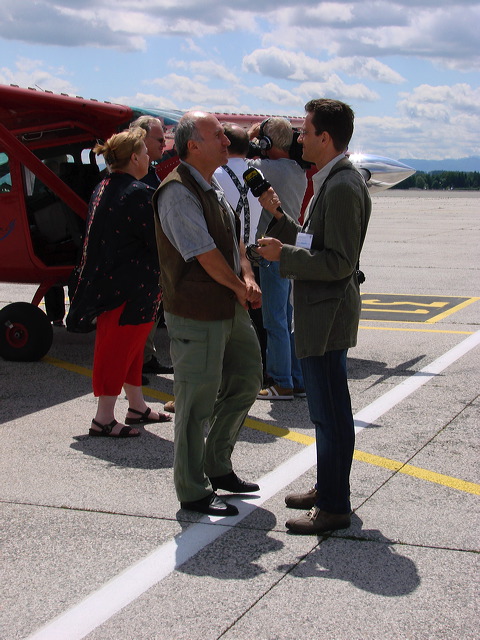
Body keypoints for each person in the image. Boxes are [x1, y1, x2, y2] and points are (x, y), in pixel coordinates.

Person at [256, 98, 371, 534]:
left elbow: (338, 261)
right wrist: (280, 222)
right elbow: (312, 243)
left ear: (326, 137)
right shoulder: (330, 179)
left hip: (327, 315)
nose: (299, 137)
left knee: (329, 411)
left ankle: (334, 506)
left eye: (305, 130)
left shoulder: (341, 186)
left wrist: (283, 254)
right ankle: (329, 489)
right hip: (322, 312)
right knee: (328, 410)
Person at [153, 111, 263, 517]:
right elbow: (201, 252)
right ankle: (192, 488)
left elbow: (233, 242)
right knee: (196, 401)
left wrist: (247, 275)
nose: (226, 140)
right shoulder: (177, 191)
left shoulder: (211, 183)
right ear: (193, 145)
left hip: (228, 305)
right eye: (216, 135)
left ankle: (217, 464)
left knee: (248, 379)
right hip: (197, 310)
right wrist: (239, 286)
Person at [66, 127, 171, 437]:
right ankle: (103, 418)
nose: (150, 159)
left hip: (110, 284)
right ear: (135, 157)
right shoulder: (138, 192)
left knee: (131, 350)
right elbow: (158, 241)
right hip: (131, 286)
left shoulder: (103, 186)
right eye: (146, 153)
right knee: (118, 350)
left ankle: (136, 405)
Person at [248, 117, 307, 400]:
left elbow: (237, 165)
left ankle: (280, 381)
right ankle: (297, 378)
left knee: (274, 321)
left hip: (272, 252)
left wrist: (248, 140)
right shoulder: (297, 170)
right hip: (292, 250)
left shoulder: (262, 168)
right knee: (289, 318)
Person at [213, 123, 267, 370]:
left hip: (226, 258)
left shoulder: (215, 175)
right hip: (254, 256)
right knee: (256, 321)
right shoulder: (258, 176)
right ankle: (259, 370)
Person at [128, 115, 174, 382]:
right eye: (159, 139)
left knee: (150, 313)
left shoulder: (151, 172)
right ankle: (134, 364)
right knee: (137, 314)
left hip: (154, 259)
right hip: (139, 261)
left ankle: (145, 358)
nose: (164, 144)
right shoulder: (131, 180)